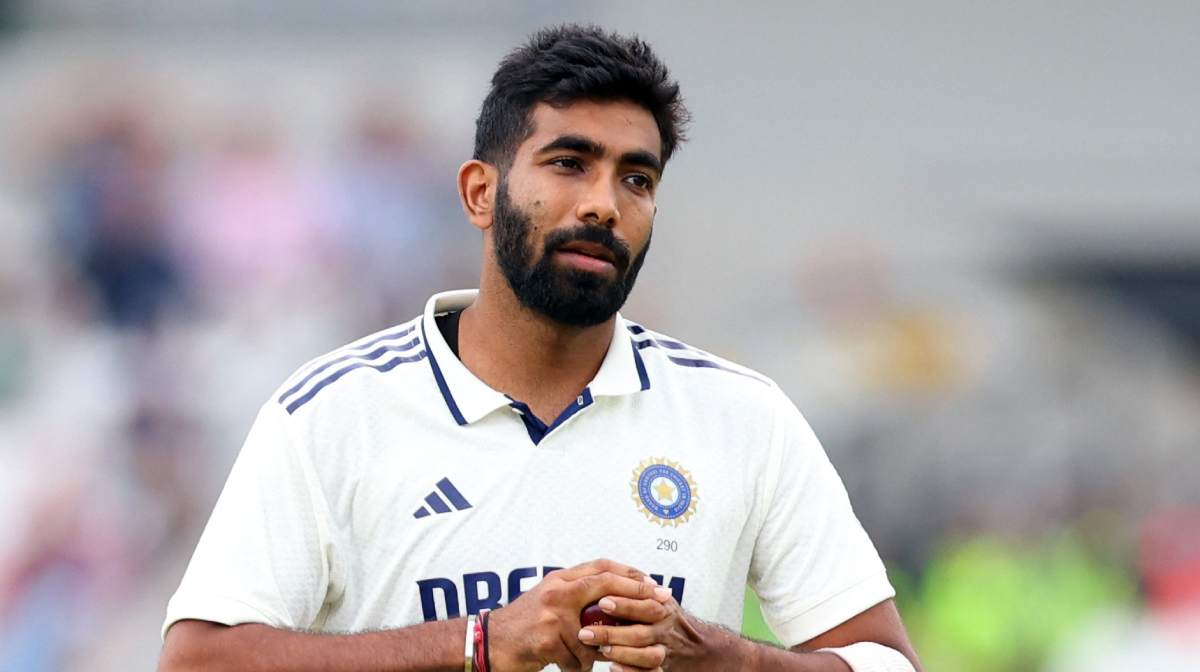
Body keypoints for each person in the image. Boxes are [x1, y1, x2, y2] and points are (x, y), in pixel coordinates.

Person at [158, 25, 922, 672]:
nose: (603, 204)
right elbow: (198, 660)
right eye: (568, 163)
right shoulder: (334, 414)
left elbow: (887, 661)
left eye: (637, 179)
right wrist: (477, 644)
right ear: (479, 193)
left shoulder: (742, 416)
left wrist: (723, 657)